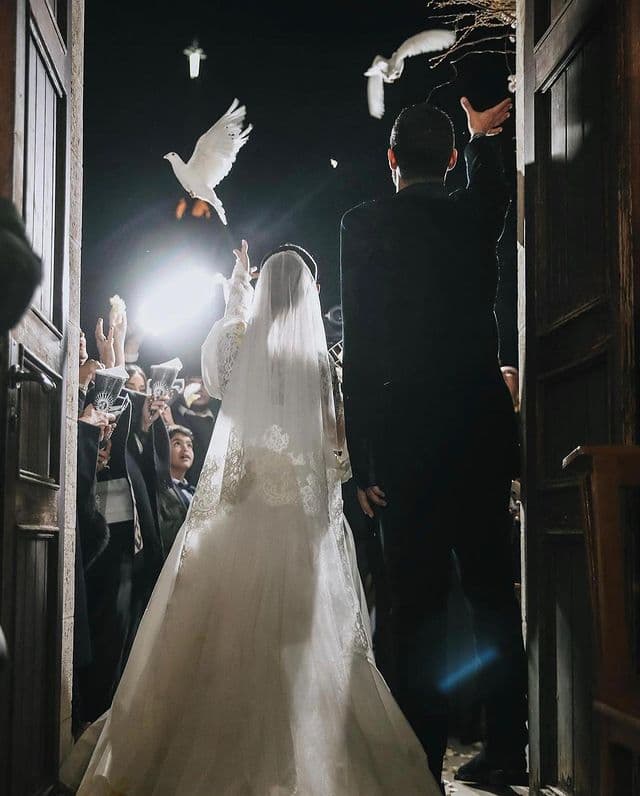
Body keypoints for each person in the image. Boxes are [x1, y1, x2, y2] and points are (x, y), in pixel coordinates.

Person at [68, 241, 440, 796]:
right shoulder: (322, 368)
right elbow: (338, 457)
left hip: (238, 518)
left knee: (218, 644)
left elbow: (213, 375)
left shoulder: (244, 347)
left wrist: (237, 297)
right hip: (300, 528)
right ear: (310, 298)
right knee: (297, 649)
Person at [340, 96, 527, 788]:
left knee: (413, 605)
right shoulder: (472, 214)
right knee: (491, 596)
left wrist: (364, 461)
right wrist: (481, 139)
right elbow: (497, 189)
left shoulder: (361, 225)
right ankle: (508, 746)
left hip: (406, 441)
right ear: (448, 160)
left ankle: (416, 756)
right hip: (479, 431)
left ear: (391, 160)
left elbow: (359, 350)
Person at [155, 425, 196, 556]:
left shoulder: (196, 491)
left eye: (189, 445)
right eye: (177, 443)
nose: (185, 449)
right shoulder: (159, 490)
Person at [173, 376, 219, 484]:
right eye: (192, 383)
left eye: (204, 384)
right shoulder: (169, 415)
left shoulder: (221, 422)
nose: (199, 389)